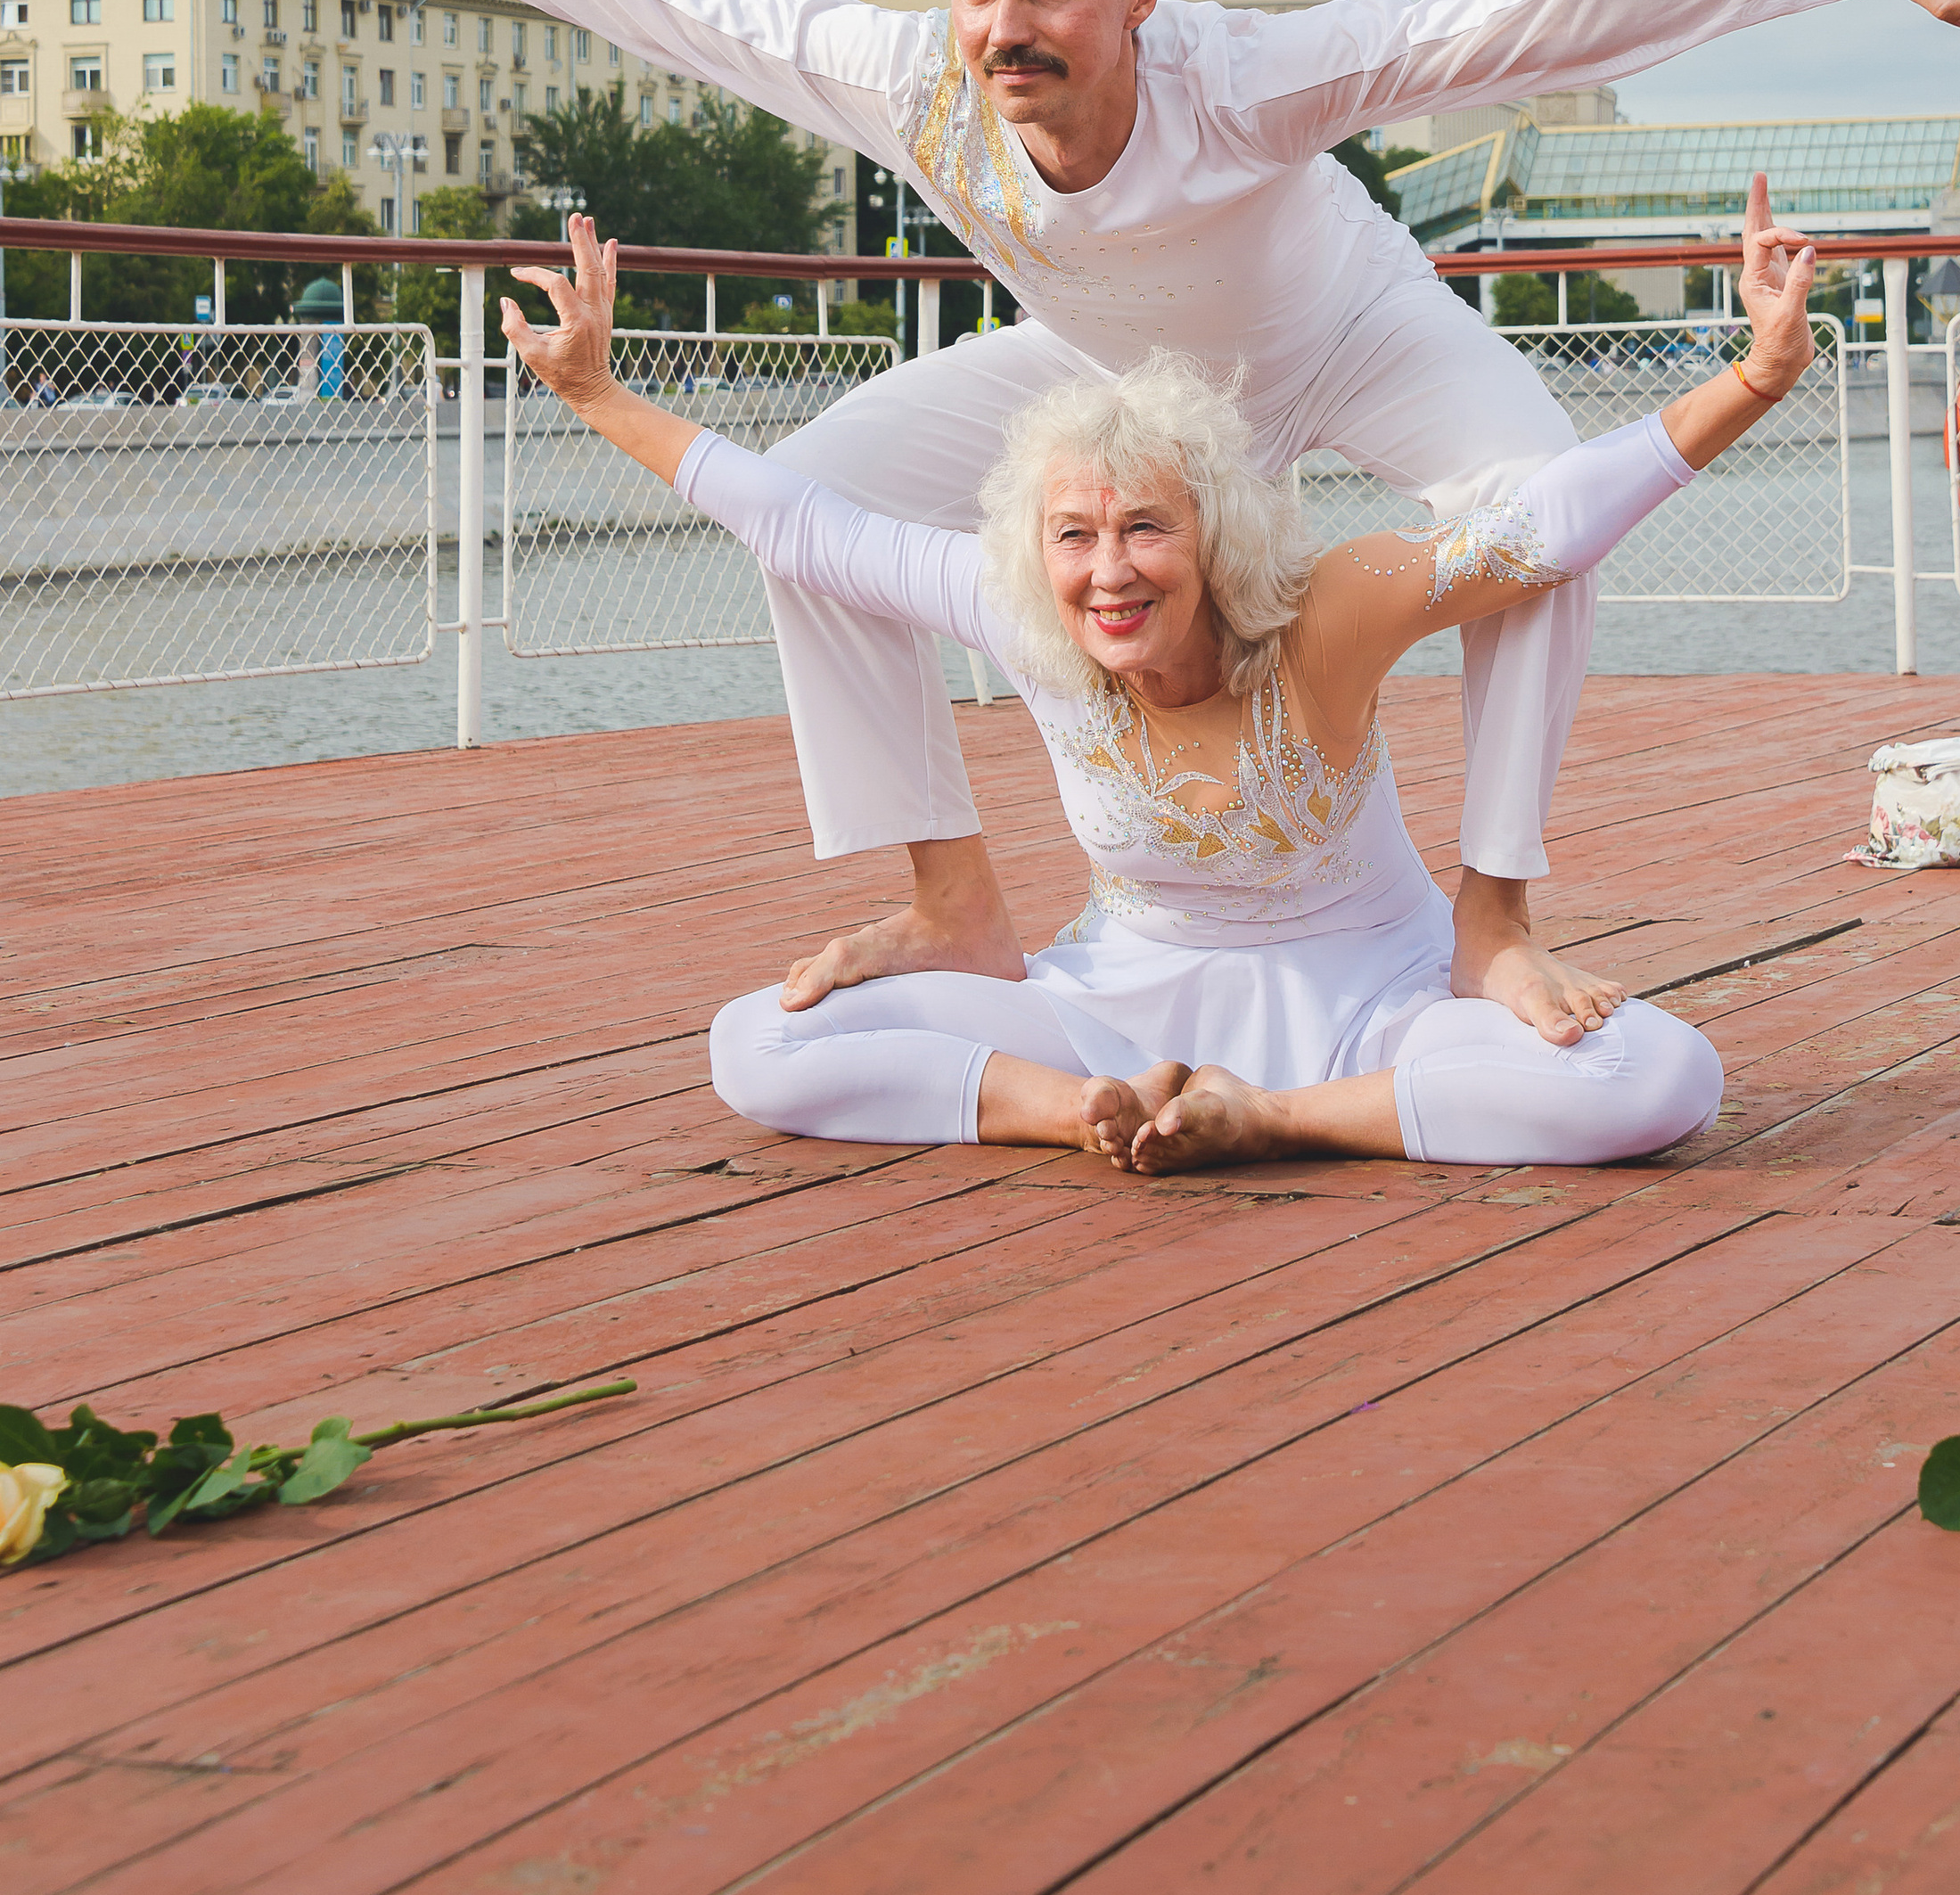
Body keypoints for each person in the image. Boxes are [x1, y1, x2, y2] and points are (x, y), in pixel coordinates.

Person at [232, 0, 1960, 1046]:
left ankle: (1494, 915)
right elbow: (662, 1)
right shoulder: (912, 86)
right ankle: (954, 904)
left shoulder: (1250, 78)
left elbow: (1527, 21)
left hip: (1341, 336)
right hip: (1112, 385)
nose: (1003, 22)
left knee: (1535, 511)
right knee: (808, 504)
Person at [505, 185, 1803, 1171]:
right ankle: (1076, 1117)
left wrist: (1754, 376)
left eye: (1146, 529)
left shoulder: (1320, 621)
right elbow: (800, 523)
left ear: (1217, 538)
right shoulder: (1035, 620)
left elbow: (1542, 525)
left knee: (1655, 1079)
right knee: (760, 1044)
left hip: (1378, 1008)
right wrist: (598, 392)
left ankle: (1277, 1120)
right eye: (1075, 535)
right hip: (1113, 1006)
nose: (1108, 573)